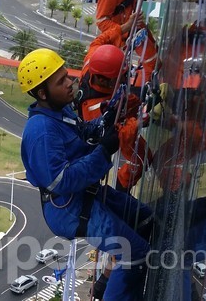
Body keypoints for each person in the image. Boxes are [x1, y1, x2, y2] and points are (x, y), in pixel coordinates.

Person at [18, 48, 153, 301]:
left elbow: (82, 131)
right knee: (133, 252)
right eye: (61, 81)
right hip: (67, 208)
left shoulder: (60, 111)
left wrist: (107, 120)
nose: (71, 83)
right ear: (42, 93)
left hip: (83, 196)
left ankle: (125, 287)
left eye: (67, 76)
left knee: (144, 218)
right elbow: (61, 181)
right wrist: (104, 151)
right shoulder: (41, 131)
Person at [77, 22, 153, 192]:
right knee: (142, 158)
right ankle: (121, 189)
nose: (125, 77)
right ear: (104, 80)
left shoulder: (93, 58)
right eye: (121, 75)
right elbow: (121, 131)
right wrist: (141, 119)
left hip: (117, 107)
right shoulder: (95, 108)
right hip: (106, 133)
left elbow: (101, 39)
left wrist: (126, 26)